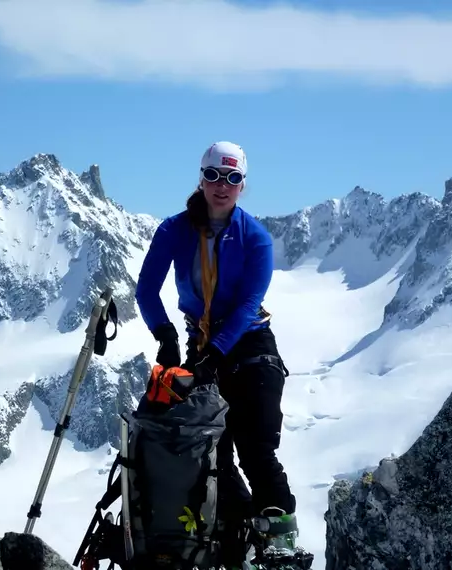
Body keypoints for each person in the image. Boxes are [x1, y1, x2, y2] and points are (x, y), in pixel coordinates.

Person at [134, 141, 300, 565]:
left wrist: (213, 353)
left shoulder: (255, 238)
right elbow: (146, 290)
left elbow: (248, 304)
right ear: (201, 179)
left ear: (243, 185)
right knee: (208, 447)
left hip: (250, 343)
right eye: (213, 176)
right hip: (202, 342)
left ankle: (280, 545)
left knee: (256, 444)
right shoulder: (174, 230)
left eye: (232, 178)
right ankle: (238, 533)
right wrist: (166, 337)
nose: (221, 186)